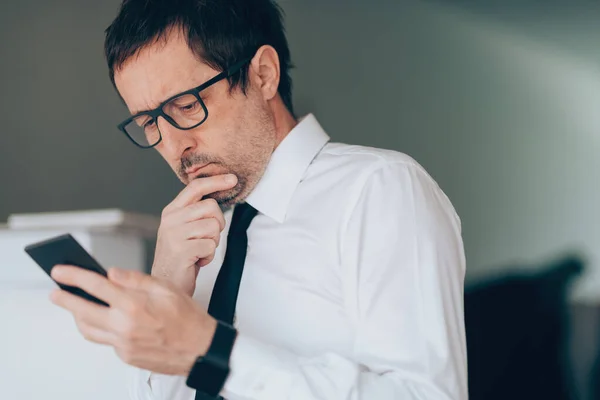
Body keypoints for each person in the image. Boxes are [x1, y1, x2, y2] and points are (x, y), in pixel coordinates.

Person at [49, 0, 468, 399]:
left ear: (263, 75)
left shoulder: (379, 190)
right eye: (149, 123)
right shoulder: (197, 242)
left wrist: (210, 350)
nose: (175, 145)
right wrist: (165, 290)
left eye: (186, 105)